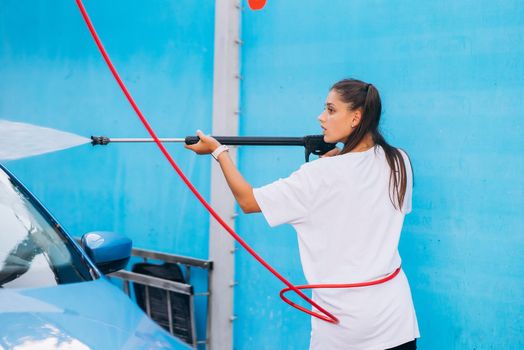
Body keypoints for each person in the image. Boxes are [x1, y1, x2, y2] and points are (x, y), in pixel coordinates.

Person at [185, 78, 420, 350]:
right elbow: (358, 195)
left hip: (344, 332)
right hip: (395, 322)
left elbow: (248, 201)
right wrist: (336, 161)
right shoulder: (399, 161)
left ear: (356, 118)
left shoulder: (317, 176)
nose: (321, 118)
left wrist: (218, 151)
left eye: (331, 110)